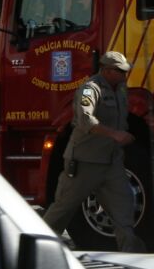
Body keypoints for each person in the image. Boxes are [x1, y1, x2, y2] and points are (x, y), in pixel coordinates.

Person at [42, 50, 145, 251]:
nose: (125, 75)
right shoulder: (90, 89)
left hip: (111, 163)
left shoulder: (121, 90)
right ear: (106, 71)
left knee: (124, 210)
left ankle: (133, 255)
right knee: (62, 209)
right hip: (84, 163)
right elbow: (85, 120)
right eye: (120, 71)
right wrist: (115, 135)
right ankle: (36, 245)